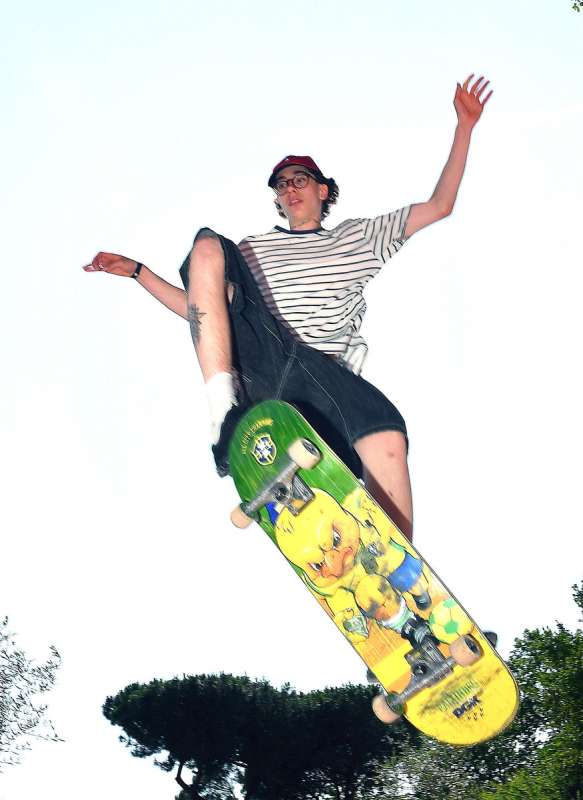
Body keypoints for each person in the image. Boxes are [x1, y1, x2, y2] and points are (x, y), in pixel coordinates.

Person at [84, 74, 492, 545]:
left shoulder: (358, 237)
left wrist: (464, 126)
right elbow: (203, 310)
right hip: (263, 357)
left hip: (324, 375)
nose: (290, 189)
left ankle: (398, 565)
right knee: (208, 248)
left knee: (387, 438)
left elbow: (439, 205)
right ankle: (226, 416)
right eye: (282, 184)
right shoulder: (252, 250)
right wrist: (139, 272)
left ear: (323, 190)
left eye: (301, 180)